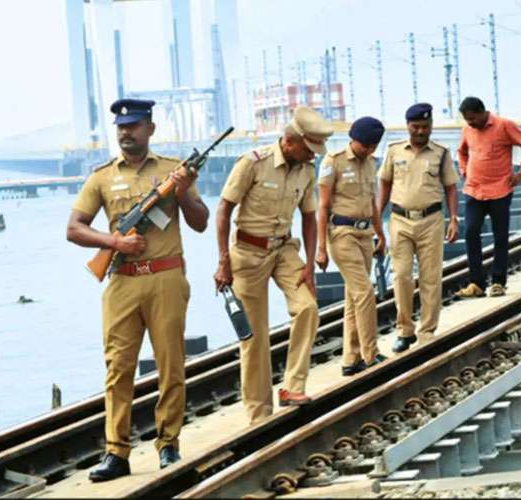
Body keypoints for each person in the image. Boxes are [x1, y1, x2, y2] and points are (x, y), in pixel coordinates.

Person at [66, 98, 209, 481]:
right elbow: (74, 228)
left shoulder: (172, 172)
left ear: (150, 129)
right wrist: (114, 243)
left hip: (166, 278)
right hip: (123, 280)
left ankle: (168, 444)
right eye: (121, 127)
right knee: (118, 368)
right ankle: (117, 453)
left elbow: (200, 223)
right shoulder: (101, 177)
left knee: (170, 365)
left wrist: (182, 191)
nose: (126, 133)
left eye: (134, 126)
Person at [214, 106, 333, 423]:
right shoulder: (252, 164)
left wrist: (308, 263)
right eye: (309, 149)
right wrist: (223, 261)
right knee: (254, 337)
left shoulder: (306, 171)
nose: (313, 157)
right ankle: (259, 412)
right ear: (290, 141)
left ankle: (292, 386)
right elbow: (224, 210)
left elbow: (309, 216)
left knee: (307, 308)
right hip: (247, 253)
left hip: (284, 250)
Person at [377, 103, 460, 354]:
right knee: (401, 276)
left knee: (430, 277)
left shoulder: (441, 153)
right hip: (400, 221)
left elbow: (451, 188)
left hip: (431, 221)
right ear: (408, 126)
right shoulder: (394, 152)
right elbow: (384, 185)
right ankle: (404, 330)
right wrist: (375, 221)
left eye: (425, 127)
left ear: (431, 126)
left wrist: (454, 218)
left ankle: (426, 331)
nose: (420, 131)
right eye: (416, 127)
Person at [316, 116, 388, 376]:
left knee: (353, 297)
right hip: (341, 233)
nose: (368, 150)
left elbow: (373, 203)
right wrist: (320, 248)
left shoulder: (371, 163)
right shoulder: (332, 161)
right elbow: (322, 207)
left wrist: (381, 234)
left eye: (373, 146)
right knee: (365, 292)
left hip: (365, 233)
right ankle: (371, 354)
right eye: (365, 145)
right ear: (353, 140)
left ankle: (350, 357)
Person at [454, 96, 521, 299]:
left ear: (483, 112)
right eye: (467, 120)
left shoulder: (504, 125)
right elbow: (462, 151)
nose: (470, 123)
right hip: (474, 190)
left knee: (500, 236)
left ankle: (498, 282)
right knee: (471, 232)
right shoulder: (467, 130)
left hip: (500, 191)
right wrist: (464, 170)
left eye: (473, 119)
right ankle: (477, 283)